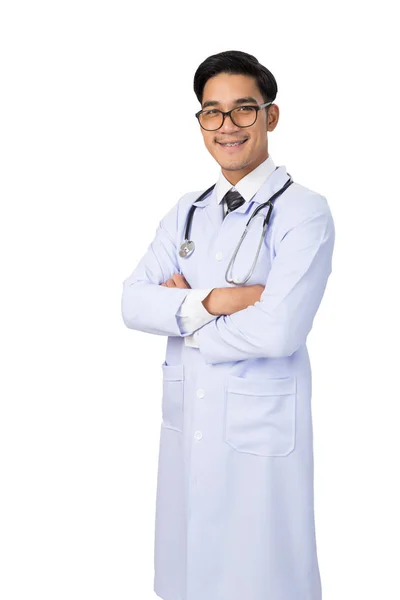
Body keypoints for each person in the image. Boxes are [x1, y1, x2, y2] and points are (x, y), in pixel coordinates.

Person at [121, 49, 335, 600]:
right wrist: (218, 301)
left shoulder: (302, 211)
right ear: (200, 122)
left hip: (259, 436)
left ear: (271, 115)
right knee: (188, 575)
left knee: (261, 576)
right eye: (211, 113)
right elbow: (132, 303)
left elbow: (279, 329)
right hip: (189, 423)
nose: (227, 126)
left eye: (244, 109)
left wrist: (182, 316)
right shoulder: (186, 210)